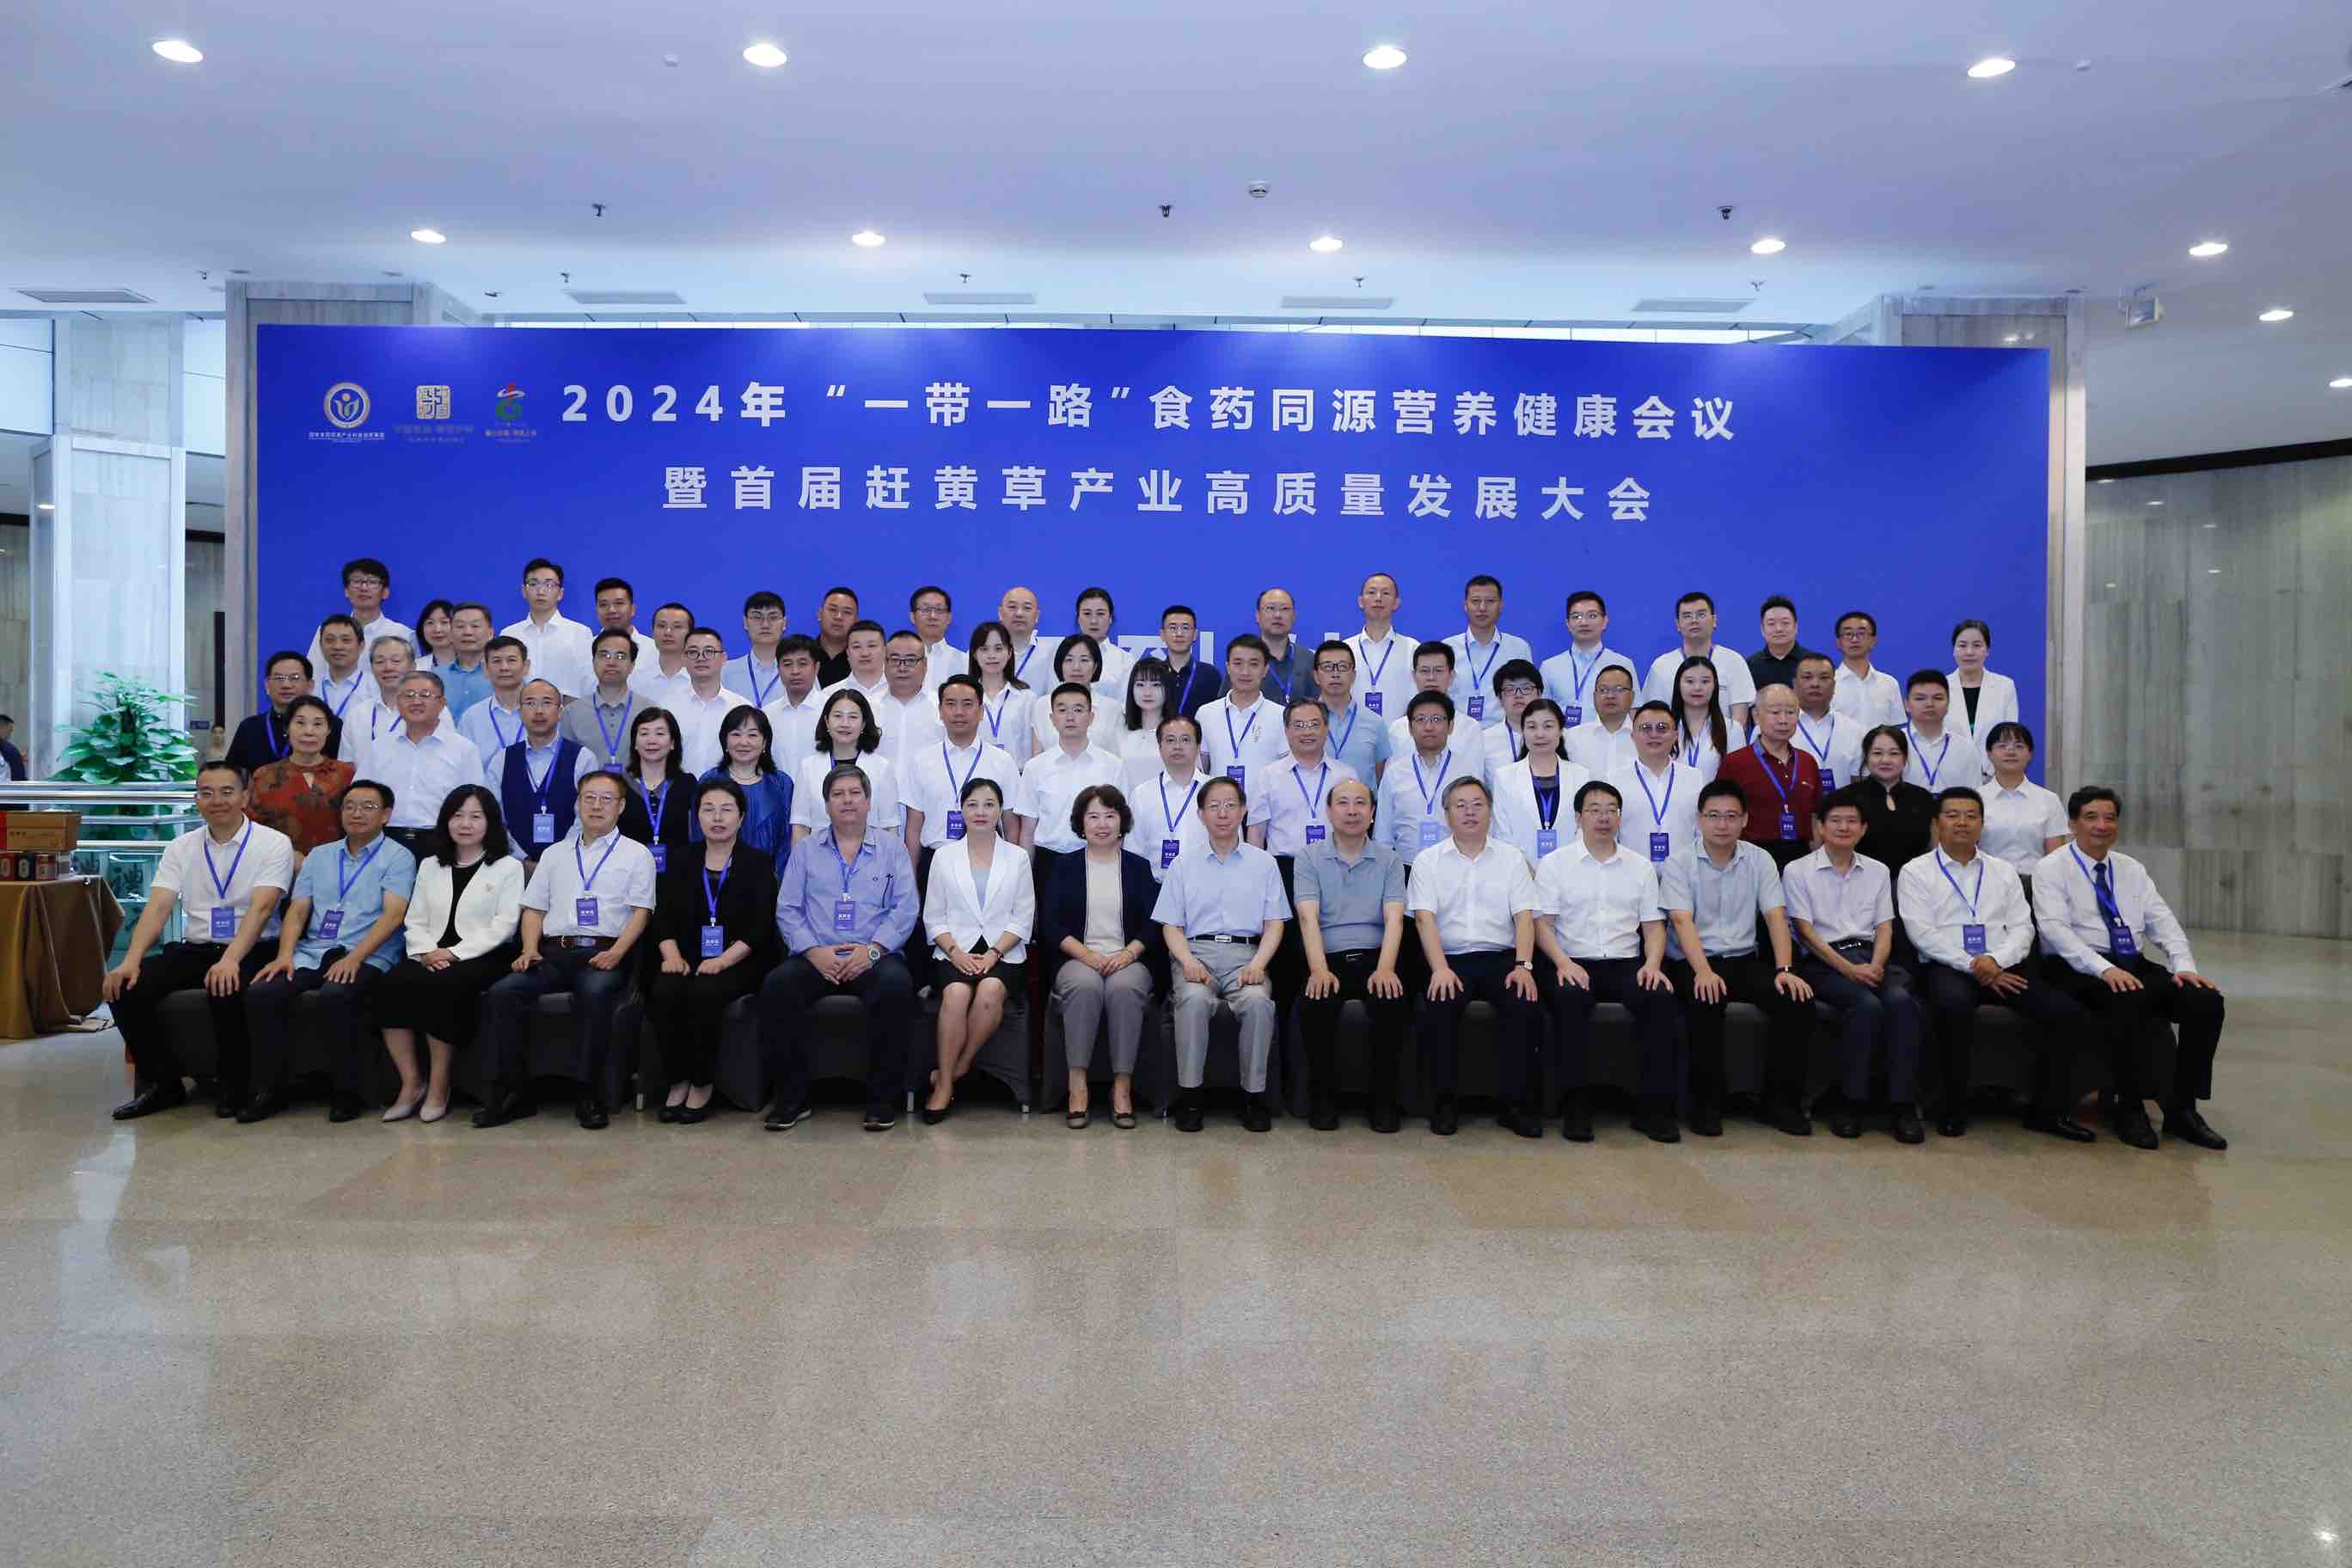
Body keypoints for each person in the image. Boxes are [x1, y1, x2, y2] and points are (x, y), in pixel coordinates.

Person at [2032, 787, 2229, 1149]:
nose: (2101, 825)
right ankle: (2129, 1106)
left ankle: (2182, 1108)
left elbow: (2162, 921)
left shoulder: (2130, 869)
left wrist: (2183, 965)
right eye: (2091, 817)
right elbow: (2055, 931)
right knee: (2128, 1000)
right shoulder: (2051, 868)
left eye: (2110, 818)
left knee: (2205, 1001)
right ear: (2073, 824)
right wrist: (2103, 969)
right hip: (2076, 967)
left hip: (2130, 962)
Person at [104, 762, 297, 1119]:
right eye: (206, 792)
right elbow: (158, 907)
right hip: (197, 948)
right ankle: (164, 1085)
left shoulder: (273, 843)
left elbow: (262, 909)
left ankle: (236, 1086)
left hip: (255, 947)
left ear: (245, 797)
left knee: (224, 986)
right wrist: (130, 960)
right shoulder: (182, 846)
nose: (216, 800)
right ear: (196, 799)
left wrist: (231, 960)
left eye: (227, 792)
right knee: (126, 988)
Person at [1898, 787, 2092, 1142]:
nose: (1962, 822)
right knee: (1952, 1006)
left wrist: (1995, 961)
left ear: (1982, 824)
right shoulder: (1915, 872)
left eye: (1971, 815)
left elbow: (2023, 927)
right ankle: (1952, 1107)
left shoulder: (2003, 871)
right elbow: (1922, 934)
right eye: (1952, 815)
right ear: (1936, 824)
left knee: (2065, 1012)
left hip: (2003, 964)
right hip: (1947, 966)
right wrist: (1976, 965)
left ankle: (2047, 1111)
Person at [474, 770, 657, 1131]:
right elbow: (534, 909)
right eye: (589, 798)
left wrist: (618, 953)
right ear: (577, 804)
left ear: (621, 806)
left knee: (594, 993)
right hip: (553, 954)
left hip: (605, 953)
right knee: (504, 992)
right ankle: (513, 1093)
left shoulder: (637, 855)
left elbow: (641, 913)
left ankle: (589, 1094)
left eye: (606, 799)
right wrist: (529, 948)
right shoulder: (555, 854)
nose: (597, 806)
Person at [236, 779, 417, 1124]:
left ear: (386, 815)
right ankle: (269, 1089)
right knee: (262, 993)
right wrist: (284, 955)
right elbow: (298, 910)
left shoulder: (398, 857)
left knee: (338, 995)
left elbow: (394, 915)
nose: (357, 813)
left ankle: (349, 1092)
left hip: (368, 952)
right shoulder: (320, 856)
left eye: (368, 807)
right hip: (314, 950)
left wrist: (355, 958)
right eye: (350, 806)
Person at [760, 763, 920, 1132]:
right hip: (818, 955)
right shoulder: (805, 851)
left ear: (868, 801)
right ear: (826, 804)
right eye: (838, 794)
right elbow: (788, 909)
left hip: (874, 955)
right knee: (777, 987)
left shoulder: (892, 849)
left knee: (896, 987)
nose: (847, 801)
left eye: (855, 793)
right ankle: (792, 1100)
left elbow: (906, 909)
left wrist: (873, 950)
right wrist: (813, 952)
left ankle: (882, 1101)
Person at [1658, 780, 1817, 1138]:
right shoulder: (1679, 862)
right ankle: (1706, 1104)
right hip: (1692, 962)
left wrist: (1785, 969)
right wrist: (1703, 972)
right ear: (1699, 819)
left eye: (1731, 816)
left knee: (1795, 1000)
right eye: (1713, 816)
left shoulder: (1759, 859)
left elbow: (1776, 916)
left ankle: (1780, 1102)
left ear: (1745, 820)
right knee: (1706, 998)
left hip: (1744, 960)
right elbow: (1681, 921)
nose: (1722, 824)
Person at [1530, 781, 1676, 1142]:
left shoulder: (1640, 866)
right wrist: (1563, 963)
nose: (1604, 817)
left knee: (1659, 999)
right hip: (1571, 960)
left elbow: (1653, 927)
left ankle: (1653, 1110)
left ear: (1620, 817)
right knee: (1570, 999)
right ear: (1578, 817)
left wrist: (1652, 965)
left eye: (1611, 810)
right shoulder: (1555, 864)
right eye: (1594, 810)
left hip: (1626, 962)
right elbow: (1542, 925)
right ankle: (1576, 1108)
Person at [371, 785, 524, 1123]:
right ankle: (412, 1083)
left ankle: (440, 1085)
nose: (465, 824)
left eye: (475, 816)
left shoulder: (508, 867)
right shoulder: (430, 865)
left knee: (443, 986)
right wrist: (427, 951)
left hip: (483, 956)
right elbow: (415, 919)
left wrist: (453, 954)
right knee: (391, 983)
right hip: (429, 953)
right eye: (458, 816)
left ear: (490, 823)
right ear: (446, 821)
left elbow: (504, 926)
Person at [1785, 789, 1925, 1142]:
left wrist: (1875, 965)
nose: (1843, 827)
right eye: (1835, 821)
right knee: (1865, 1005)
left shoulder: (1878, 871)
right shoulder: (1797, 871)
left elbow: (1885, 927)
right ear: (1820, 827)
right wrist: (1848, 970)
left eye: (1851, 821)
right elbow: (1805, 932)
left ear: (1863, 829)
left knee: (1901, 1003)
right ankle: (1851, 1103)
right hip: (1823, 961)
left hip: (1872, 958)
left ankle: (1902, 1105)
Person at [1408, 776, 1545, 1136]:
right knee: (1440, 1005)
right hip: (1449, 958)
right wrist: (1439, 969)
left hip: (1502, 958)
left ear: (1490, 811)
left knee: (1524, 1004)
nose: (1470, 812)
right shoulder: (1427, 861)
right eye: (1461, 806)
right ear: (1447, 815)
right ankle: (1444, 1103)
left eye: (1477, 805)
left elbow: (1525, 917)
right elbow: (1424, 919)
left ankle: (1516, 1105)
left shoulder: (1511, 858)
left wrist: (1524, 966)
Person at [1154, 776, 1289, 1132]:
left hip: (1247, 956)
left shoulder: (1264, 863)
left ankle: (1253, 1098)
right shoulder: (1183, 864)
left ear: (1244, 811)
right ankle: (1190, 1097)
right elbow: (1171, 926)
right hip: (1195, 953)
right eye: (1214, 806)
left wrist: (1259, 964)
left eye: (1230, 805)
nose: (1223, 813)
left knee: (1258, 1003)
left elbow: (1275, 923)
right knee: (1193, 1001)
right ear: (1201, 814)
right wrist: (1187, 962)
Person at [647, 777, 778, 1125]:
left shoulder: (757, 863)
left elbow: (761, 927)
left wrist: (722, 961)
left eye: (726, 810)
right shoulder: (680, 860)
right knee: (664, 990)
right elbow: (663, 917)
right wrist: (672, 957)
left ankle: (702, 1083)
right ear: (697, 817)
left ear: (741, 816)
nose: (717, 818)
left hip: (740, 959)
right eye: (708, 810)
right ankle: (677, 1080)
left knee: (705, 992)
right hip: (685, 956)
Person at [1042, 784, 1165, 1129]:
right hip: (1077, 959)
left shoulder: (1139, 867)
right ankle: (1077, 1084)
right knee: (1085, 987)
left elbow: (1154, 923)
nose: (1102, 824)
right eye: (1093, 816)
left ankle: (1122, 1087)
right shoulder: (1064, 866)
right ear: (1081, 823)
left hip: (1128, 958)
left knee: (1124, 989)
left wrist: (1129, 953)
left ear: (1122, 822)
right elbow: (1049, 923)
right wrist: (1085, 955)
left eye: (1110, 816)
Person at [1292, 775, 1410, 1132]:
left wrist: (1386, 969)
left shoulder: (1390, 860)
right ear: (1329, 812)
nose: (1352, 811)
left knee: (1390, 1002)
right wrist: (1318, 969)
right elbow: (1308, 918)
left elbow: (1394, 920)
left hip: (1376, 955)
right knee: (1317, 1003)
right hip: (1327, 957)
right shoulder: (1308, 858)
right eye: (1342, 803)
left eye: (1360, 803)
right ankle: (1323, 1100)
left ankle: (1383, 1102)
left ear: (1372, 813)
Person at [918, 777, 1033, 1122]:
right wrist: (956, 953)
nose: (980, 811)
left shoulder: (1017, 857)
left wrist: (995, 953)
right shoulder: (943, 856)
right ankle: (944, 1085)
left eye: (989, 805)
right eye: (972, 805)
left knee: (989, 992)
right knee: (955, 994)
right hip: (953, 951)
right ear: (961, 810)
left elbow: (1023, 916)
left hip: (1004, 953)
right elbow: (933, 916)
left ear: (1000, 811)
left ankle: (954, 1072)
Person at [1011, 682, 1124, 895]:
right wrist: (1024, 882)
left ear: (1091, 717)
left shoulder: (1113, 766)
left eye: (1078, 710)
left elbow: (1122, 827)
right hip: (1048, 862)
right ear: (1052, 719)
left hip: (1099, 860)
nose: (1070, 717)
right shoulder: (1035, 767)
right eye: (1062, 710)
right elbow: (1028, 830)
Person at [900, 676, 1020, 868]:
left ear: (981, 711)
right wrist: (911, 877)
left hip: (989, 860)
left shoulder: (1002, 761)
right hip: (934, 860)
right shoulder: (921, 761)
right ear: (940, 711)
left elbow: (1011, 825)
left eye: (967, 704)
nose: (959, 712)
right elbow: (914, 828)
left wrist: (1012, 869)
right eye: (951, 704)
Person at [1126, 714, 1265, 878]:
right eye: (1170, 740)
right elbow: (1133, 852)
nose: (1178, 746)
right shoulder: (1142, 795)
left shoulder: (1219, 791)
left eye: (1185, 740)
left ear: (1198, 746)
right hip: (1156, 885)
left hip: (1210, 884)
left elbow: (1235, 847)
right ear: (1160, 747)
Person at [363, 673, 485, 854]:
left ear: (442, 703)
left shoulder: (464, 750)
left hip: (442, 841)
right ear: (398, 702)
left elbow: (475, 804)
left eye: (425, 695)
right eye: (409, 695)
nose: (416, 701)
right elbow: (361, 795)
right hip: (384, 841)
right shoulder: (379, 747)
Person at [487, 678, 596, 866]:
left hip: (570, 864)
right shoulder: (502, 759)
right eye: (530, 703)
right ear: (520, 712)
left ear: (560, 712)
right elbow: (492, 815)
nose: (538, 711)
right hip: (514, 866)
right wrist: (521, 859)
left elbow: (587, 817)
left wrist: (558, 858)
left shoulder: (583, 758)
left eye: (546, 703)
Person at [1717, 683, 1824, 869]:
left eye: (1790, 712)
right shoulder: (1735, 763)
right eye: (1775, 712)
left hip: (1801, 859)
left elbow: (1815, 818)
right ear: (1756, 716)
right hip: (1750, 860)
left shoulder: (1808, 762)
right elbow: (1722, 816)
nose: (1783, 720)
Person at [246, 695, 354, 857]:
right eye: (300, 723)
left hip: (337, 865)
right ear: (287, 729)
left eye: (318, 724)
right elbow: (252, 831)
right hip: (279, 864)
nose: (309, 732)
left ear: (329, 730)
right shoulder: (265, 776)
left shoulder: (346, 774)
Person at [791, 689, 901, 843]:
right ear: (827, 721)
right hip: (820, 854)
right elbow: (800, 827)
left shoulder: (882, 767)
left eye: (853, 717)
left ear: (863, 724)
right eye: (838, 716)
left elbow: (890, 827)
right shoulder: (808, 767)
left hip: (870, 855)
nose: (845, 724)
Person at [1490, 699, 1589, 867]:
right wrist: (1524, 870)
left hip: (1570, 870)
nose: (1540, 734)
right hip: (1520, 872)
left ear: (1561, 731)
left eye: (1548, 726)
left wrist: (1565, 869)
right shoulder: (1504, 777)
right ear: (1523, 731)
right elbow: (1502, 834)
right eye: (1532, 727)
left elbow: (1583, 829)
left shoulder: (1581, 775)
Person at [1380, 692, 1473, 865]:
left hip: (1455, 865)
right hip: (1405, 867)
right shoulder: (1394, 773)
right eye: (1421, 719)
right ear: (1410, 728)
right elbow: (1382, 835)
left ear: (1451, 726)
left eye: (1436, 719)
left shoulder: (1466, 773)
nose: (1429, 727)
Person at [1641, 590, 1755, 731]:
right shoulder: (1661, 666)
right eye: (1687, 616)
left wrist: (1726, 742)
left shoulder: (1734, 661)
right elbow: (1653, 716)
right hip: (1674, 743)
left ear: (1714, 620)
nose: (1694, 621)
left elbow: (1740, 720)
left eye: (1701, 615)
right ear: (1678, 624)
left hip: (1723, 742)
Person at [1608, 701, 1704, 866]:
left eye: (1662, 728)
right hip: (1632, 873)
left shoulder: (1695, 778)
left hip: (1683, 873)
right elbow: (1611, 835)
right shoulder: (1614, 780)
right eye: (1646, 728)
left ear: (1675, 735)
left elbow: (1701, 833)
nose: (1654, 734)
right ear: (1633, 736)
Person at [342, 634, 456, 768]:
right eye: (379, 662)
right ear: (371, 668)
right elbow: (347, 767)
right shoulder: (356, 715)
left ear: (413, 666)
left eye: (396, 661)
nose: (388, 667)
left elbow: (451, 758)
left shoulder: (436, 711)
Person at [1198, 634, 1289, 799]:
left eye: (1254, 664)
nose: (1245, 672)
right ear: (1228, 667)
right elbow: (1200, 768)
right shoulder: (1206, 713)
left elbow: (1287, 770)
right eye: (1238, 664)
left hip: (1266, 808)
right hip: (1218, 808)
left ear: (1265, 670)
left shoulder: (1281, 715)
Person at [1386, 643, 1491, 784]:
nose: (1431, 677)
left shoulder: (1470, 728)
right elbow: (1391, 781)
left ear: (1451, 676)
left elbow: (1474, 781)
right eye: (1424, 671)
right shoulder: (1398, 728)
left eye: (1438, 671)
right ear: (1414, 676)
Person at [703, 705, 796, 860]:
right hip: (718, 871)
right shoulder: (709, 781)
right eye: (736, 734)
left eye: (752, 735)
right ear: (725, 741)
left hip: (771, 872)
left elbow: (787, 840)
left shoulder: (782, 784)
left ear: (765, 742)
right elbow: (698, 835)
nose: (743, 742)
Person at [1978, 722, 2067, 879]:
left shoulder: (2049, 800)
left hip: (2036, 883)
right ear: (1989, 754)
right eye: (2002, 746)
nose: (2011, 752)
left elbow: (2056, 858)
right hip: (1988, 882)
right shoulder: (1976, 799)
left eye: (2019, 746)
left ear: (2030, 754)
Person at [226, 651, 340, 774]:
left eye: (294, 678)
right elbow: (232, 774)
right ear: (267, 685)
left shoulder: (331, 725)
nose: (286, 685)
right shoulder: (249, 727)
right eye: (279, 678)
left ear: (310, 685)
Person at [303, 556, 413, 682]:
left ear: (385, 592)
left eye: (373, 582)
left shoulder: (403, 634)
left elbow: (412, 682)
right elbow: (313, 676)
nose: (364, 588)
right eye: (356, 582)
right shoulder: (328, 631)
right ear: (346, 591)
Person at [1540, 589, 1638, 726]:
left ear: (1605, 621)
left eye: (1592, 615)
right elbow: (1541, 713)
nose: (1584, 622)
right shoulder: (1549, 667)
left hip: (1608, 737)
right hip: (1563, 738)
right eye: (1576, 616)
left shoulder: (1622, 664)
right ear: (1568, 624)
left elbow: (1633, 712)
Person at [1444, 574, 1535, 722]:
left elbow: (1528, 696)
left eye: (1490, 601)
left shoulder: (1519, 648)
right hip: (1457, 731)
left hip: (1504, 732)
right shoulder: (1448, 648)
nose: (1482, 608)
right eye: (1475, 601)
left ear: (1501, 605)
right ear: (1465, 605)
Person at [500, 557, 593, 699]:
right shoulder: (510, 634)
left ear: (560, 593)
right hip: (520, 709)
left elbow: (588, 682)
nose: (541, 591)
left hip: (568, 708)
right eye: (533, 584)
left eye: (549, 585)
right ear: (524, 591)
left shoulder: (580, 633)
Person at [616, 707, 698, 870]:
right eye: (644, 733)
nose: (651, 740)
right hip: (627, 874)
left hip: (678, 875)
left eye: (660, 733)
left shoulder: (687, 784)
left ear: (672, 743)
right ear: (635, 743)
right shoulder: (619, 784)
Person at [1851, 726, 1936, 878]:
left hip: (1915, 883)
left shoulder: (1923, 798)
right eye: (1877, 753)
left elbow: (1934, 849)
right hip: (1861, 883)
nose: (1885, 760)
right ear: (1866, 757)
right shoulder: (1847, 798)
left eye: (1894, 753)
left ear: (1905, 758)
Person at [669, 625, 753, 775]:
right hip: (679, 787)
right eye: (693, 652)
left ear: (724, 658)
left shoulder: (741, 707)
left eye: (709, 652)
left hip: (729, 788)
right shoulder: (668, 707)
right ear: (683, 659)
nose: (701, 658)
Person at [1312, 639, 1393, 785]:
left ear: (1354, 675)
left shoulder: (1375, 723)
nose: (1335, 674)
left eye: (1343, 667)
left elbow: (1378, 776)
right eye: (1328, 667)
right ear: (1316, 676)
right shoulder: (1304, 723)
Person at [561, 628, 642, 770]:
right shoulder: (571, 713)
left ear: (632, 666)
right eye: (604, 655)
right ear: (593, 663)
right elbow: (565, 764)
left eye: (621, 656)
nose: (611, 662)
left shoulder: (648, 711)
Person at [1029, 634, 1119, 754]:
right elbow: (1037, 757)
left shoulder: (1112, 708)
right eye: (1069, 660)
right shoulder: (1042, 705)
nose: (1076, 667)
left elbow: (1117, 757)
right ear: (1060, 665)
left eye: (1084, 660)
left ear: (1095, 666)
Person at [869, 629, 947, 763]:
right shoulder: (869, 706)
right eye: (895, 660)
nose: (902, 668)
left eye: (911, 660)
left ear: (925, 664)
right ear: (885, 663)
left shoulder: (941, 706)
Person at [967, 620, 1037, 764]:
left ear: (1010, 652)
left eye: (998, 649)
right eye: (984, 649)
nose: (992, 655)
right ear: (974, 654)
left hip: (1017, 773)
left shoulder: (1026, 697)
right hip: (974, 773)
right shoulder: (966, 697)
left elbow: (1031, 750)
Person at [1900, 671, 1981, 793]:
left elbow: (1975, 796)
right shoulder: (1893, 744)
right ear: (1906, 705)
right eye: (1920, 698)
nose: (1929, 704)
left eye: (1938, 698)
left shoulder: (1966, 748)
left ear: (1948, 704)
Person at [761, 634, 830, 781]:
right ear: (778, 669)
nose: (795, 671)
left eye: (802, 664)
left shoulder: (831, 711)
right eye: (787, 664)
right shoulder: (767, 715)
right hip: (778, 792)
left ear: (816, 667)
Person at [1350, 572, 1418, 719]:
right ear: (1360, 602)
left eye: (1386, 593)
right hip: (1353, 732)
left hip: (1401, 732)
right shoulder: (1346, 649)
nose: (1378, 598)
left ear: (1396, 603)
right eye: (1372, 592)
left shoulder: (1412, 648)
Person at [450, 634, 530, 760]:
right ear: (485, 668)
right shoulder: (472, 717)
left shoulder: (543, 711)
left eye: (511, 660)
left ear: (526, 667)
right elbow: (462, 762)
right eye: (497, 661)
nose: (504, 668)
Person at [1790, 653, 1863, 788]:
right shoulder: (1774, 728)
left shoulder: (1854, 730)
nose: (1815, 684)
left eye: (1824, 678)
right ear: (1794, 684)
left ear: (1834, 685)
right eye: (1807, 677)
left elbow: (1858, 782)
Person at [1949, 618, 2019, 754]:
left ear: (1987, 650)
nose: (1969, 652)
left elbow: (2009, 736)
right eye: (1962, 645)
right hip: (1950, 766)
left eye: (1977, 645)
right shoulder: (1941, 687)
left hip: (1992, 765)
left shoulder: (2005, 686)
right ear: (1954, 650)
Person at [1829, 610, 1902, 726]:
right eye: (1848, 634)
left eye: (1861, 633)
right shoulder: (1828, 683)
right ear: (1838, 643)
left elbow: (1896, 728)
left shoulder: (1889, 683)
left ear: (1874, 641)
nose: (1854, 639)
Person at [1564, 665, 1639, 776]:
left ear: (1632, 696)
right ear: (1594, 696)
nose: (1610, 696)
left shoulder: (1646, 738)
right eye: (1603, 690)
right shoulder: (1571, 738)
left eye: (1619, 690)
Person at [1746, 594, 1826, 695]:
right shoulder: (1750, 665)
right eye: (1771, 624)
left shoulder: (1813, 662)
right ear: (1762, 629)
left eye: (1785, 623)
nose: (1779, 629)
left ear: (1796, 627)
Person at [723, 590, 791, 708]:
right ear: (745, 623)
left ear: (784, 623)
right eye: (757, 617)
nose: (765, 624)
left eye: (773, 617)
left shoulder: (800, 672)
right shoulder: (726, 672)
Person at [1669, 654, 1729, 783]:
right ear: (1678, 685)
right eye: (1690, 681)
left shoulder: (1732, 729)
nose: (1697, 688)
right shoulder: (1665, 728)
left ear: (1715, 686)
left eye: (1705, 682)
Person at [1156, 603, 1223, 718]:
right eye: (1172, 628)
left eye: (1185, 628)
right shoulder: (1154, 673)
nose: (1179, 634)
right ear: (1162, 634)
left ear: (1195, 635)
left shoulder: (1210, 675)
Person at [628, 601, 697, 707]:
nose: (668, 632)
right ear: (652, 632)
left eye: (677, 627)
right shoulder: (635, 681)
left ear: (690, 635)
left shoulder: (701, 680)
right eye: (661, 626)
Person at [1115, 656, 1174, 777]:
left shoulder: (1179, 731)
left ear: (1167, 689)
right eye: (1140, 685)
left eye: (1156, 685)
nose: (1147, 693)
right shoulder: (1118, 728)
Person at [1253, 586, 1313, 704]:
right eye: (1270, 608)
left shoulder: (1309, 659)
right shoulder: (1244, 659)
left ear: (1294, 617)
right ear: (1257, 616)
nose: (1278, 615)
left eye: (1285, 609)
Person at [435, 603, 496, 719]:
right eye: (460, 626)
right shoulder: (436, 676)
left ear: (490, 633)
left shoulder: (503, 675)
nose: (468, 632)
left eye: (475, 626)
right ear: (450, 634)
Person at [1074, 587, 1134, 702]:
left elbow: (1125, 704)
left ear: (1110, 618)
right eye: (1087, 614)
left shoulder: (1125, 660)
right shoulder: (1061, 656)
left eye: (1100, 614)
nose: (1093, 621)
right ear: (1078, 618)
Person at [1481, 658, 1545, 766]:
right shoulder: (1484, 740)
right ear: (1499, 698)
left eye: (1526, 688)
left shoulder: (1557, 736)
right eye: (1510, 690)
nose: (1518, 695)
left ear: (1539, 694)